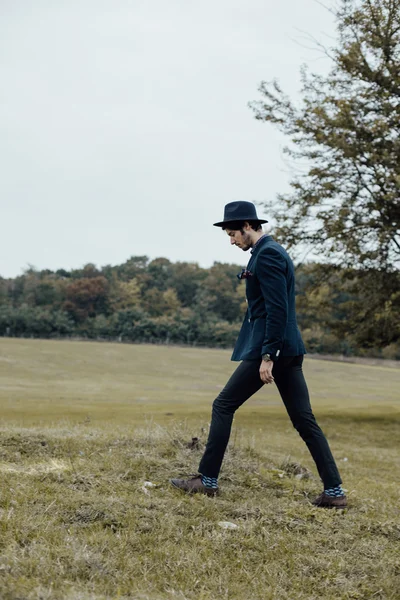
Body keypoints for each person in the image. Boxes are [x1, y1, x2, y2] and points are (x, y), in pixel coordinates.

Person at [170, 201, 346, 508]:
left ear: (248, 226)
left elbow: (278, 309)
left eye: (233, 234)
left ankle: (207, 480)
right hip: (287, 349)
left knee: (223, 405)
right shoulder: (266, 253)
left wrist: (268, 355)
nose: (231, 240)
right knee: (305, 421)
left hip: (273, 347)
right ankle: (334, 492)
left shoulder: (268, 255)